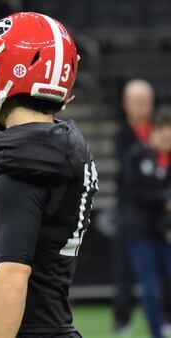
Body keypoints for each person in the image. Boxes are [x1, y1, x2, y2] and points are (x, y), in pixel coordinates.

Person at [0, 12, 98, 338]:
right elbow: (17, 246)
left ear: (5, 71)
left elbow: (14, 271)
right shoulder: (56, 142)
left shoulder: (25, 155)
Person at [112, 78, 156, 335]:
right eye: (138, 101)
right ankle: (122, 321)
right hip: (129, 214)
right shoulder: (122, 136)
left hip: (156, 216)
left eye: (147, 101)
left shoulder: (159, 132)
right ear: (126, 104)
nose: (143, 107)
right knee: (124, 270)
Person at [122, 109, 171, 338]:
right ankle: (156, 333)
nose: (166, 143)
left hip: (166, 235)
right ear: (156, 132)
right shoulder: (136, 155)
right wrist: (164, 200)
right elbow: (134, 192)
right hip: (142, 235)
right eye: (164, 137)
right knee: (150, 291)